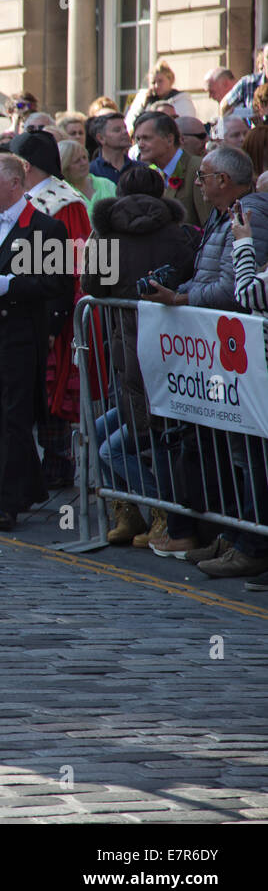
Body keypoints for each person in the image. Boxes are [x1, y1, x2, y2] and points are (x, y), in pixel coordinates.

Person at [141, 145, 268, 575]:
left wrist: (182, 298)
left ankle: (250, 545)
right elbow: (209, 272)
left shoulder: (250, 214)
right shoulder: (223, 213)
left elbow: (242, 288)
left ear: (225, 182)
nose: (198, 183)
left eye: (205, 176)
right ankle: (233, 535)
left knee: (249, 451)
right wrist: (182, 293)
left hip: (243, 350)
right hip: (220, 348)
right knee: (232, 448)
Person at [0, 153, 73, 531]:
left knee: (15, 419)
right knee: (1, 413)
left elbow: (57, 284)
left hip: (21, 336)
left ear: (14, 184)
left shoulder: (46, 229)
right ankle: (33, 487)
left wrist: (11, 285)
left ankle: (4, 504)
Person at [83, 166, 195, 547]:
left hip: (135, 346)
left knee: (145, 434)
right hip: (171, 347)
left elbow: (91, 284)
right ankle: (129, 510)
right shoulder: (178, 234)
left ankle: (161, 511)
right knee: (127, 431)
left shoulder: (107, 234)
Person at [9, 130, 89, 491]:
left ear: (24, 166)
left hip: (49, 311)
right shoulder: (20, 197)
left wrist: (57, 318)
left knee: (49, 387)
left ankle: (57, 464)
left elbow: (73, 266)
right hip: (17, 307)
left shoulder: (65, 203)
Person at [134, 111, 211, 228]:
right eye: (138, 139)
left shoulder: (197, 169)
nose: (140, 144)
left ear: (170, 139)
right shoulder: (152, 174)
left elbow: (208, 227)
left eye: (146, 138)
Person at [124, 60, 199, 132]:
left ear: (170, 80)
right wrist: (144, 105)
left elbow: (185, 126)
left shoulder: (182, 101)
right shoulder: (144, 99)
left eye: (160, 81)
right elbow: (130, 124)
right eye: (153, 82)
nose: (156, 86)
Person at [60, 139, 116, 210]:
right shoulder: (63, 194)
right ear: (65, 167)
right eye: (77, 161)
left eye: (84, 157)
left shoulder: (107, 184)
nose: (83, 163)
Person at [88, 111, 140, 183]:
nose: (125, 132)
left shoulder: (140, 169)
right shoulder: (91, 171)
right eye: (117, 130)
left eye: (125, 128)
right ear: (101, 138)